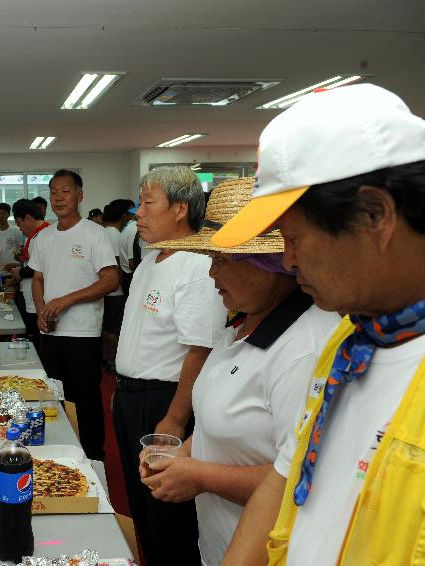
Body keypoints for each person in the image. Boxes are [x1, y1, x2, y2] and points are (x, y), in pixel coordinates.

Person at [212, 85, 425, 565]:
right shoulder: (350, 344)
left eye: (293, 239)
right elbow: (284, 480)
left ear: (376, 214)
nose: (287, 261)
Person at [136, 177, 340, 566]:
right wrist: (180, 454)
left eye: (223, 260)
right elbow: (221, 422)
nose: (212, 274)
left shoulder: (304, 348)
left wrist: (198, 476)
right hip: (220, 540)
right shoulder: (242, 325)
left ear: (271, 265)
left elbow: (301, 477)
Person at [113, 165, 227, 566]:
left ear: (180, 209)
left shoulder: (196, 265)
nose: (138, 213)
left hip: (163, 403)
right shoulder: (150, 262)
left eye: (148, 203)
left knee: (168, 517)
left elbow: (200, 349)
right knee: (143, 508)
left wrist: (175, 420)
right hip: (130, 397)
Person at [30, 169, 120, 460]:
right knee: (53, 396)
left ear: (79, 195)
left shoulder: (95, 234)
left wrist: (67, 300)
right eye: (53, 191)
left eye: (65, 191)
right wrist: (40, 309)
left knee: (86, 398)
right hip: (51, 332)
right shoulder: (42, 238)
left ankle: (93, 458)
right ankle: (59, 453)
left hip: (83, 333)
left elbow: (110, 280)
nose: (58, 197)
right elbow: (38, 279)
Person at [10, 199, 50, 354]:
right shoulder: (37, 236)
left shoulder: (43, 236)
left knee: (38, 347)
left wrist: (19, 272)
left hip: (38, 303)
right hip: (32, 301)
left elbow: (40, 269)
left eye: (19, 222)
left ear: (28, 217)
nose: (19, 228)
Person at [100, 201, 129, 372]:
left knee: (108, 325)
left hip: (108, 289)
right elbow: (115, 262)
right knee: (113, 327)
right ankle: (112, 360)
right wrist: (117, 284)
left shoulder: (107, 232)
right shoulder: (114, 234)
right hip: (114, 290)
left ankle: (107, 357)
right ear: (123, 214)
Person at [0, 202, 23, 269]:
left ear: (8, 215)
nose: (0, 216)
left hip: (14, 269)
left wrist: (18, 256)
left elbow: (22, 248)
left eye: (3, 213)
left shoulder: (16, 230)